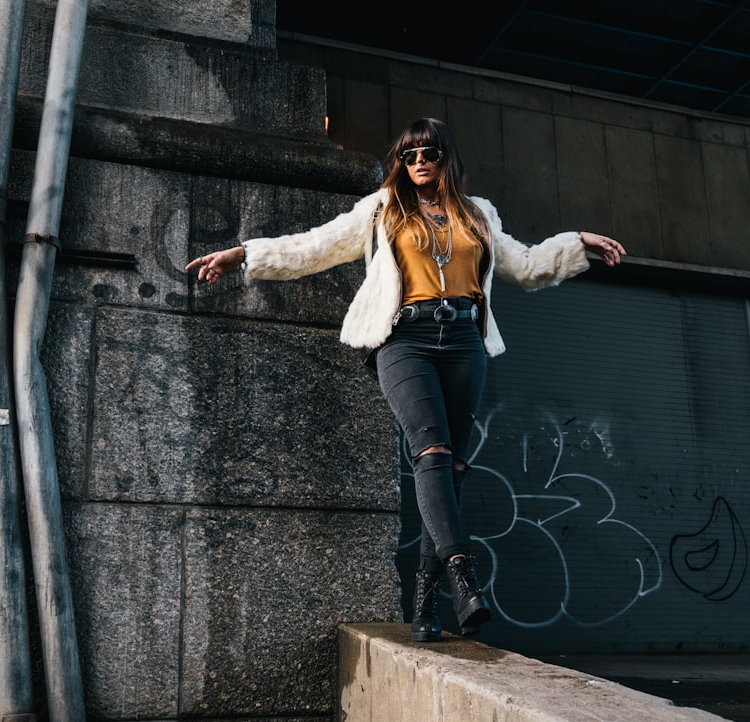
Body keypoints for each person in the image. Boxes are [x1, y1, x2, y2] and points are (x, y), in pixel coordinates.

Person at [186, 117, 625, 642]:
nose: (418, 161)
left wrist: (576, 242)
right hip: (404, 339)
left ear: (446, 159)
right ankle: (463, 574)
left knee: (451, 471)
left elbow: (527, 266)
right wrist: (244, 254)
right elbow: (316, 245)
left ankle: (424, 598)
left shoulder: (478, 213)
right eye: (408, 153)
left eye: (429, 152)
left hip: (464, 342)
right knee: (432, 455)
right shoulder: (380, 210)